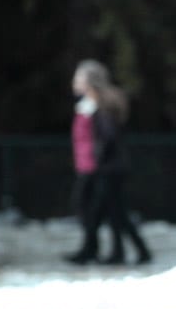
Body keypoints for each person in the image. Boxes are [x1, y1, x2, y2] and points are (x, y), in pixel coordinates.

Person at [64, 59, 152, 266]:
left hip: (106, 168)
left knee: (102, 210)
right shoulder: (89, 105)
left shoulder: (101, 105)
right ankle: (118, 251)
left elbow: (107, 137)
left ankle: (99, 250)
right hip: (99, 166)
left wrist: (98, 159)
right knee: (114, 211)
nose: (74, 82)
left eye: (79, 78)